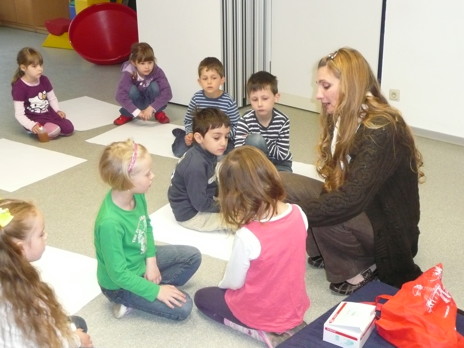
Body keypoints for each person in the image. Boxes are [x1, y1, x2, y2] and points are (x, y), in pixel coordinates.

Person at [281, 47, 424, 295]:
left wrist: (288, 216)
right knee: (280, 183)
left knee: (330, 211)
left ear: (350, 84)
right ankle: (323, 250)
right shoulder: (344, 114)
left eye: (326, 86)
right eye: (318, 85)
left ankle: (361, 267)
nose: (318, 94)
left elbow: (350, 200)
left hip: (388, 227)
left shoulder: (381, 128)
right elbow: (339, 183)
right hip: (365, 206)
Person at [194, 146, 309, 348]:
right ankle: (285, 326)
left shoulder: (247, 236)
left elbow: (234, 282)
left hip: (260, 312)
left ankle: (257, 330)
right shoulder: (299, 213)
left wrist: (223, 286)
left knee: (202, 298)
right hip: (294, 307)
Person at [94, 139, 201, 320]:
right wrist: (156, 291)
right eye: (147, 174)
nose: (153, 176)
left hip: (140, 258)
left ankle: (144, 289)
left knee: (193, 256)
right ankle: (126, 299)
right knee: (184, 307)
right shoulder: (109, 223)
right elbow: (118, 274)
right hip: (119, 285)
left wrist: (151, 262)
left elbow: (146, 228)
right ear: (128, 181)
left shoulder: (137, 194)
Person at [0, 199, 93, 348]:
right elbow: (43, 342)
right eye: (41, 234)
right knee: (80, 328)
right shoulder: (23, 300)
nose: (46, 236)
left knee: (75, 322)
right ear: (20, 248)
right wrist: (76, 340)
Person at [168, 107, 232, 232]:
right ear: (198, 138)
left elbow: (211, 180)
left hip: (200, 199)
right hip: (191, 214)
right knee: (238, 218)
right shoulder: (196, 166)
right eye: (216, 138)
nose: (223, 143)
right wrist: (225, 206)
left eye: (226, 137)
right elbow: (200, 204)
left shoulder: (208, 151)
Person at [171, 57, 240, 157]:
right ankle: (181, 134)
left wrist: (222, 136)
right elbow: (188, 120)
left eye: (214, 78)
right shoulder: (196, 98)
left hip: (220, 139)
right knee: (179, 151)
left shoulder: (228, 101)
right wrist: (190, 133)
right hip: (200, 138)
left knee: (227, 156)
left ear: (222, 80)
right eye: (205, 78)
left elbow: (237, 125)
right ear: (199, 82)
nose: (209, 82)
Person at [234, 71, 292, 172]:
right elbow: (238, 151)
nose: (260, 104)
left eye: (265, 98)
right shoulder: (245, 120)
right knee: (255, 140)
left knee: (285, 183)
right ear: (249, 100)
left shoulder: (283, 120)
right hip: (254, 163)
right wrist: (254, 140)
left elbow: (282, 154)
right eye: (255, 99)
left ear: (276, 97)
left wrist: (263, 141)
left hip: (278, 163)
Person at [11, 47, 74, 140]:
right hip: (34, 118)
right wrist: (31, 125)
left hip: (48, 113)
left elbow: (52, 98)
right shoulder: (19, 87)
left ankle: (49, 127)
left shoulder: (44, 80)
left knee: (69, 128)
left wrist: (57, 111)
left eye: (40, 65)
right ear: (23, 68)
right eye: (34, 66)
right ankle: (34, 130)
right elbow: (19, 114)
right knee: (54, 131)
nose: (40, 69)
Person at [114, 42, 172, 125]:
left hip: (150, 101)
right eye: (142, 63)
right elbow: (120, 95)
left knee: (155, 86)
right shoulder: (128, 73)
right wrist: (136, 112)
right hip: (135, 100)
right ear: (134, 63)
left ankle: (157, 112)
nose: (147, 67)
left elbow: (167, 92)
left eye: (150, 62)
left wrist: (152, 107)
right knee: (131, 90)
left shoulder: (157, 71)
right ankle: (128, 114)